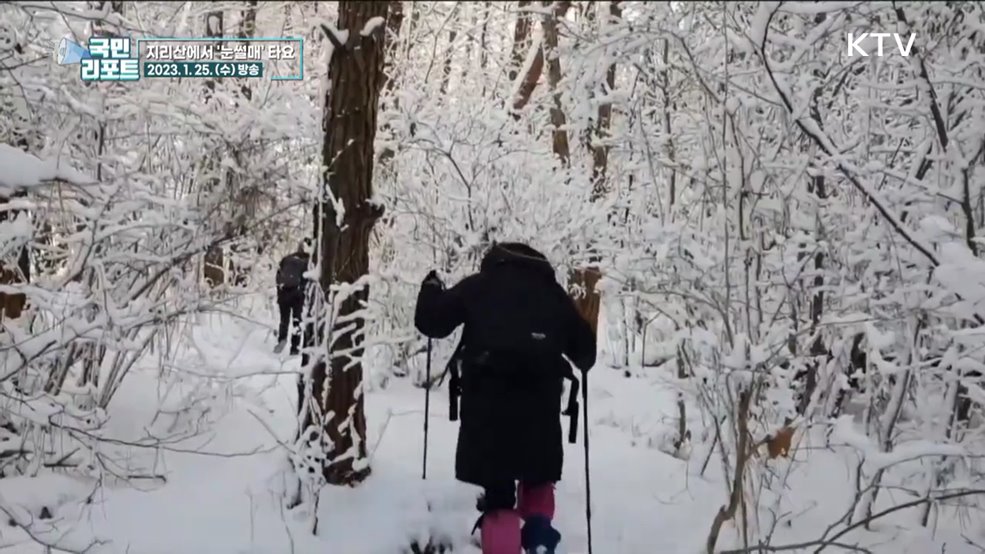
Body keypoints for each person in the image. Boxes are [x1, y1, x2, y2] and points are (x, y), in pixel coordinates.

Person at [414, 242, 596, 554]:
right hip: (540, 414)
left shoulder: (479, 286)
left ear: (496, 260)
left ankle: (502, 543)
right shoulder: (552, 295)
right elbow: (585, 355)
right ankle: (539, 537)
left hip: (487, 415)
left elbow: (431, 322)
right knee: (538, 477)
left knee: (498, 493)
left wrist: (430, 290)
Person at [274, 240, 311, 355]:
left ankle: (282, 339)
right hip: (297, 294)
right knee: (297, 320)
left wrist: (280, 292)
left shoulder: (287, 259)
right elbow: (307, 279)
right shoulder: (308, 262)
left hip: (284, 291)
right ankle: (294, 347)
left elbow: (278, 276)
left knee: (284, 319)